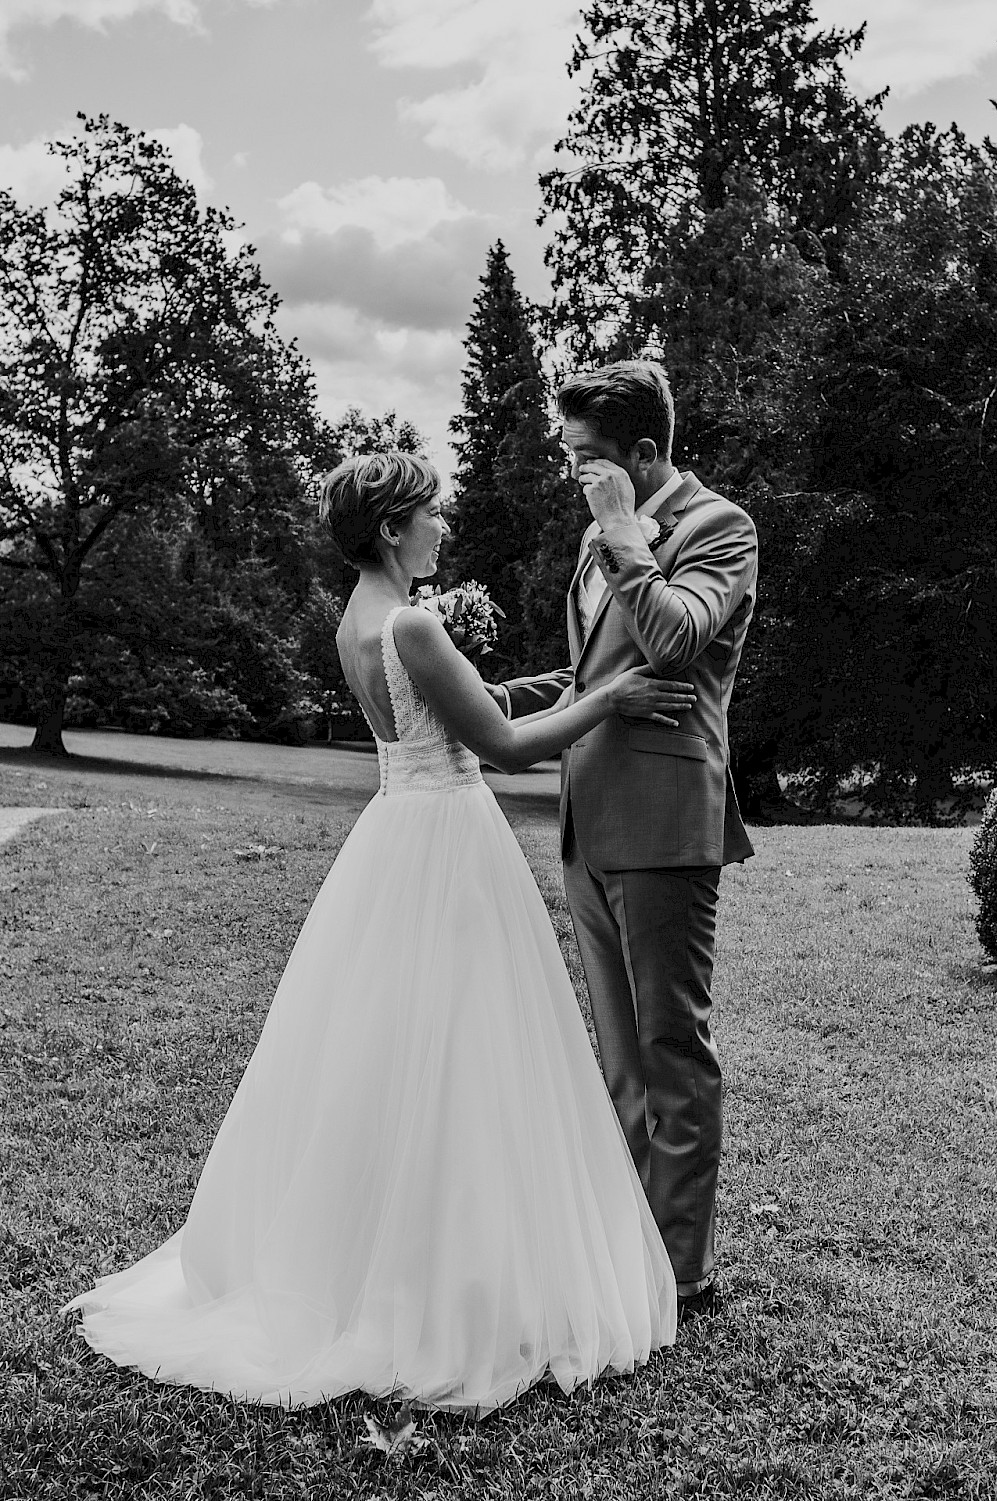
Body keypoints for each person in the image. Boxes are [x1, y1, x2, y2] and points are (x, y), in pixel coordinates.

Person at [61, 451, 698, 1413]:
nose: (444, 525)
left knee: (394, 1053)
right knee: (468, 1053)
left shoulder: (356, 622)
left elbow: (439, 719)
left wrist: (532, 682)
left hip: (396, 834)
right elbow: (503, 747)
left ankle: (373, 1255)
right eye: (431, 514)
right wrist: (612, 696)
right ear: (395, 528)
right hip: (449, 842)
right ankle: (453, 1278)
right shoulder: (412, 622)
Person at [490, 361, 757, 1320]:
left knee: (669, 1047)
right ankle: (628, 1248)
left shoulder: (720, 529)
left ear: (646, 454)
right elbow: (592, 671)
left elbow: (677, 636)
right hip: (585, 825)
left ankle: (681, 1275)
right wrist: (488, 698)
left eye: (591, 461)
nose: (578, 479)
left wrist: (621, 536)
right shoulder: (599, 538)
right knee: (617, 1059)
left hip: (663, 827)